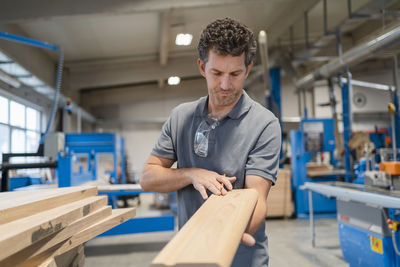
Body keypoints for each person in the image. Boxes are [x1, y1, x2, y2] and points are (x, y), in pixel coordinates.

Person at [140, 17, 281, 267]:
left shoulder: (264, 124)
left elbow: (257, 197)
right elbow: (148, 178)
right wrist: (191, 174)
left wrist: (230, 232)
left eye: (235, 74)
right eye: (217, 73)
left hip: (243, 258)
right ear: (202, 67)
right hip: (190, 255)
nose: (225, 85)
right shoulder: (181, 118)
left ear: (248, 69)